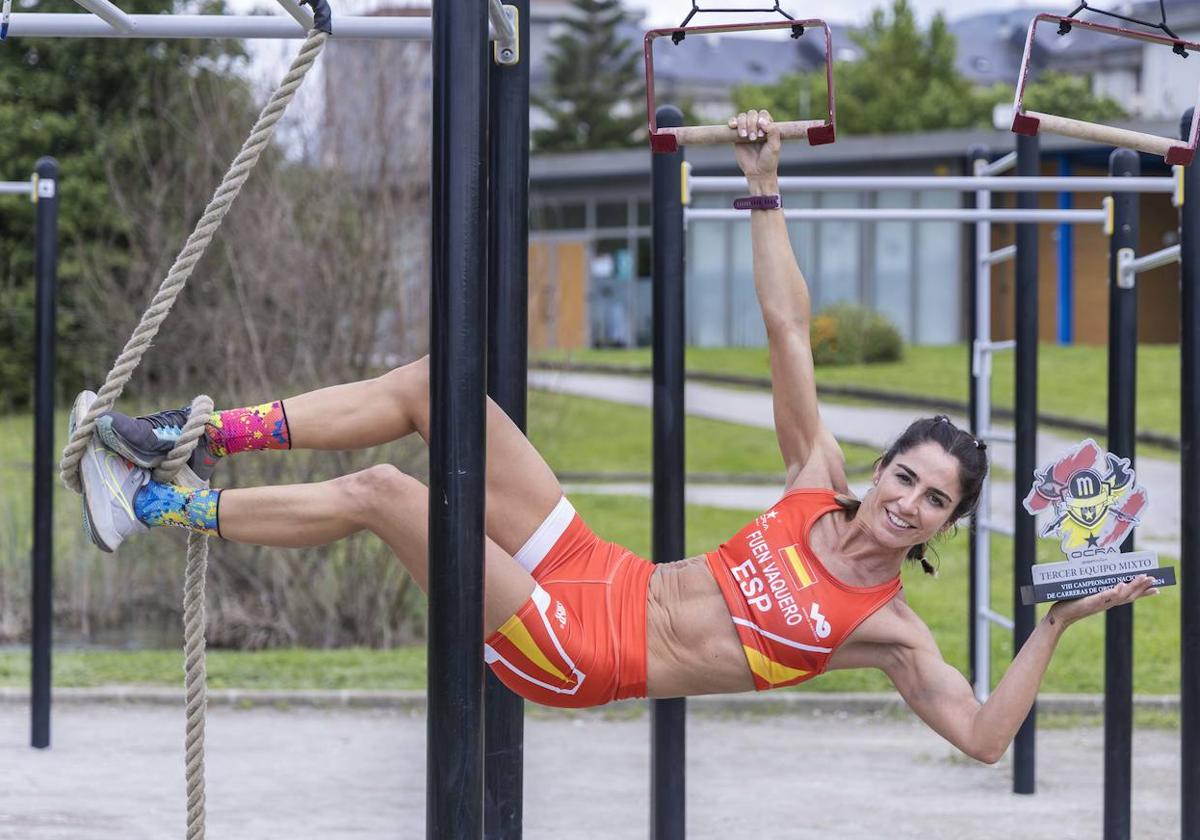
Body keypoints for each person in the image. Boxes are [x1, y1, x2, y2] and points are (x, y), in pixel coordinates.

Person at [73, 110, 1158, 764]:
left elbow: (981, 740)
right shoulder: (815, 482)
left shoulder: (888, 629)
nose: (908, 503)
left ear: (946, 527)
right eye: (907, 477)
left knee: (385, 498)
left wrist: (1056, 626)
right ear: (879, 472)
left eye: (935, 502)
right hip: (598, 569)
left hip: (580, 652)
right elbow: (787, 329)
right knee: (436, 387)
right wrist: (763, 189)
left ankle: (155, 505)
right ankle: (196, 432)